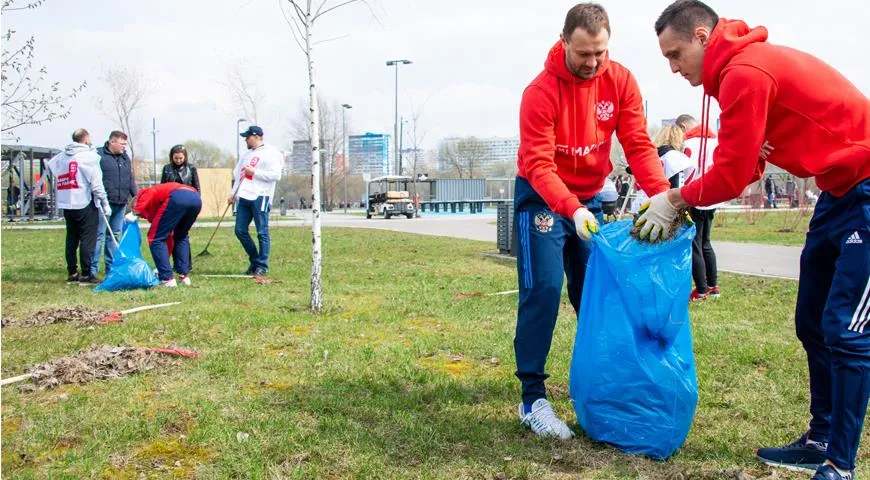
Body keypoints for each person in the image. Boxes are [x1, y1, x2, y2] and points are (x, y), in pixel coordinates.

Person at [643, 2, 870, 478]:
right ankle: (820, 436)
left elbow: (729, 176)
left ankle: (839, 463)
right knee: (812, 320)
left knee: (847, 331)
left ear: (703, 36)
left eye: (676, 53)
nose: (673, 67)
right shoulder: (735, 77)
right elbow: (744, 162)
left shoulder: (745, 72)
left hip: (866, 186)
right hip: (836, 191)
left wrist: (676, 198)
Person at [513, 2, 670, 440]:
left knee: (597, 294)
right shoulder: (540, 93)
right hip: (542, 197)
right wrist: (571, 208)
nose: (592, 62)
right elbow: (540, 166)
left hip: (588, 199)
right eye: (584, 53)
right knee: (543, 288)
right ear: (564, 43)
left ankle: (605, 383)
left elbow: (638, 144)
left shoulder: (619, 80)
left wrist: (663, 198)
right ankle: (532, 398)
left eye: (600, 52)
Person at [47, 128, 111, 284]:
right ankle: (87, 273)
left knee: (72, 237)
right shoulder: (89, 157)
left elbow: (50, 167)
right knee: (88, 239)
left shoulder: (62, 157)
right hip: (84, 201)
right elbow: (96, 184)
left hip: (67, 203)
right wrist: (104, 201)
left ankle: (72, 271)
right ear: (86, 138)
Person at [679, 113, 722, 301]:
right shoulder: (714, 140)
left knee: (694, 243)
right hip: (712, 197)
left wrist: (683, 194)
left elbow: (689, 171)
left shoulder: (690, 145)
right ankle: (713, 285)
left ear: (683, 127)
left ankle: (701, 289)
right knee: (706, 242)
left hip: (695, 196)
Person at [229, 125, 282, 277]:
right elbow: (239, 174)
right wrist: (233, 193)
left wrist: (255, 172)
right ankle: (255, 260)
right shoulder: (246, 155)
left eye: (248, 137)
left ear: (257, 137)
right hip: (244, 196)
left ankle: (262, 266)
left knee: (262, 232)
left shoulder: (271, 153)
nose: (246, 139)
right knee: (240, 230)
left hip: (261, 195)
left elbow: (275, 175)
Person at [130, 182, 202, 287]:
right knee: (180, 236)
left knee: (154, 238)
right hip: (196, 199)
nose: (142, 217)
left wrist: (135, 212)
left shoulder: (145, 193)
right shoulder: (161, 197)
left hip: (178, 197)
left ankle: (167, 278)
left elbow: (150, 193)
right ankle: (184, 276)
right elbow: (167, 239)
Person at [90, 130, 137, 277]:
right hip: (104, 203)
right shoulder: (98, 156)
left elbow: (130, 179)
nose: (124, 147)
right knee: (99, 235)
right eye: (122, 144)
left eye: (125, 144)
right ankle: (92, 270)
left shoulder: (125, 158)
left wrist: (137, 196)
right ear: (112, 142)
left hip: (121, 202)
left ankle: (111, 268)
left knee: (115, 235)